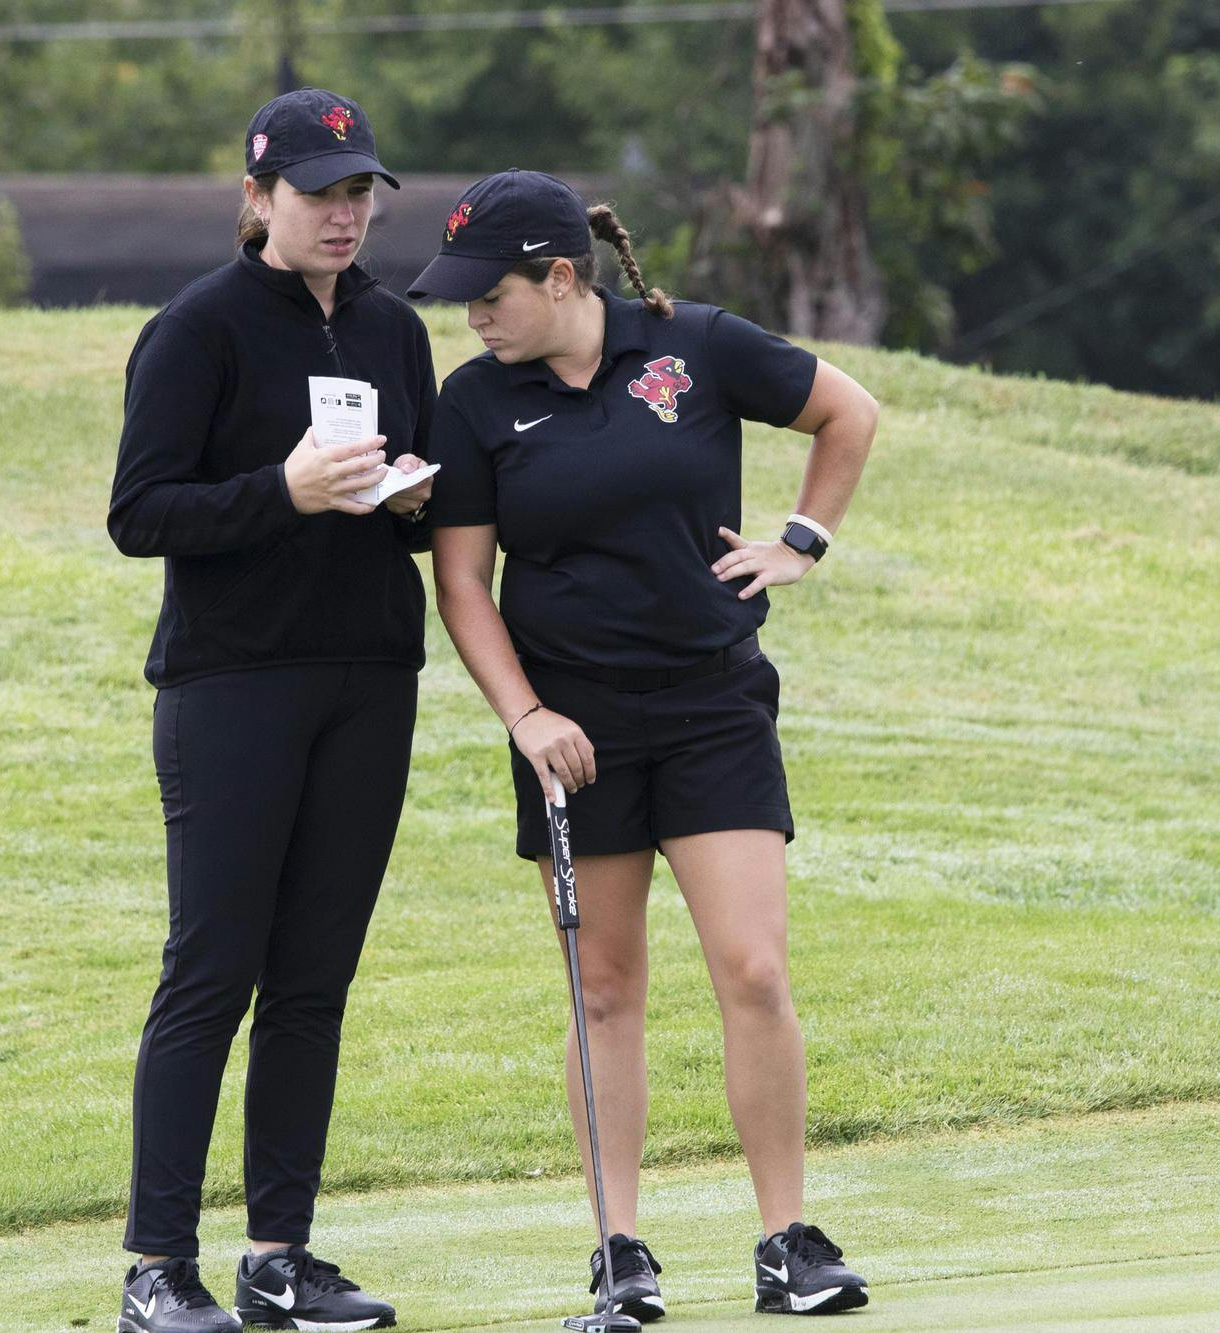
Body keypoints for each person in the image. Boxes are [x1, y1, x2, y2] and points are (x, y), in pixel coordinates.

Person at [411, 170, 880, 1318]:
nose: (471, 316)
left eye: (489, 295)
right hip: (573, 731)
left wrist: (800, 540)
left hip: (710, 704)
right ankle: (620, 1251)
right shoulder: (474, 402)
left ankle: (786, 1241)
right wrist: (525, 715)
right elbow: (462, 583)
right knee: (605, 991)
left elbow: (846, 410)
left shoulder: (695, 347)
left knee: (753, 968)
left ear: (559, 276)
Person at [106, 88, 435, 1333]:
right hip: (230, 685)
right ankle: (156, 1268)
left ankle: (279, 1260)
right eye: (317, 194)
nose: (343, 216)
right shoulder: (196, 330)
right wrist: (282, 491)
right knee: (212, 971)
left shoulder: (396, 332)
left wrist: (404, 503)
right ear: (257, 200)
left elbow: (409, 499)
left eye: (357, 194)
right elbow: (142, 515)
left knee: (312, 981)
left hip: (365, 682)